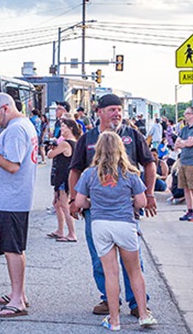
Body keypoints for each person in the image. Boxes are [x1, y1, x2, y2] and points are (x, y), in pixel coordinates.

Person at [68, 93, 158, 317]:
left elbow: (149, 164)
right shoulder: (87, 139)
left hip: (126, 209)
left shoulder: (132, 135)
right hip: (95, 211)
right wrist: (73, 199)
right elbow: (74, 170)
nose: (117, 114)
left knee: (132, 259)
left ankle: (138, 303)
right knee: (100, 258)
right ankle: (108, 300)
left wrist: (149, 194)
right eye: (112, 110)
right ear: (100, 112)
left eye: (119, 110)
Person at [0, 93, 38, 318]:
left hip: (10, 199)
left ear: (5, 108)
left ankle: (17, 300)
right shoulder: (22, 126)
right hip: (11, 198)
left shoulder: (15, 130)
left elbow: (12, 165)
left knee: (12, 249)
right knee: (15, 248)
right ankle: (18, 292)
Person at [46, 117, 80, 242]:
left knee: (65, 205)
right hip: (67, 177)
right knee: (57, 204)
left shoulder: (65, 144)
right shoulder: (75, 142)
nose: (61, 129)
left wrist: (52, 147)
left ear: (70, 128)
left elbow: (50, 155)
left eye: (64, 126)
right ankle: (60, 230)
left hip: (63, 178)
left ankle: (71, 233)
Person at [174, 106, 193, 222]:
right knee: (186, 188)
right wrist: (183, 143)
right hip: (183, 160)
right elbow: (177, 143)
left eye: (187, 113)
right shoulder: (184, 129)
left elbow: (191, 142)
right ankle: (189, 210)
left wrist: (183, 143)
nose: (185, 115)